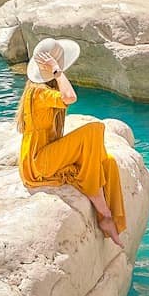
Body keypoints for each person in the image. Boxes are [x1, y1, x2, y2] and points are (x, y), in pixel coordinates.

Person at [16, 37, 127, 247]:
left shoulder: (42, 89)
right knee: (95, 129)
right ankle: (104, 213)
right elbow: (70, 97)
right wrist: (57, 72)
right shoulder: (38, 92)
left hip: (47, 155)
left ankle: (107, 220)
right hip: (38, 163)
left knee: (108, 162)